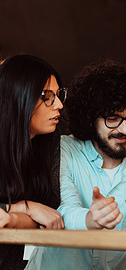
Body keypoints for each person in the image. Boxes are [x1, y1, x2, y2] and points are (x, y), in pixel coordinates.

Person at [26, 60, 126, 269]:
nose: (124, 129)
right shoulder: (62, 149)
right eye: (113, 118)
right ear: (91, 118)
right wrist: (91, 219)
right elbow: (61, 208)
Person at [0, 54, 65, 269]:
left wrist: (15, 214)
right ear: (18, 96)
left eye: (58, 94)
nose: (59, 104)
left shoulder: (43, 150)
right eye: (47, 96)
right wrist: (24, 208)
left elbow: (43, 220)